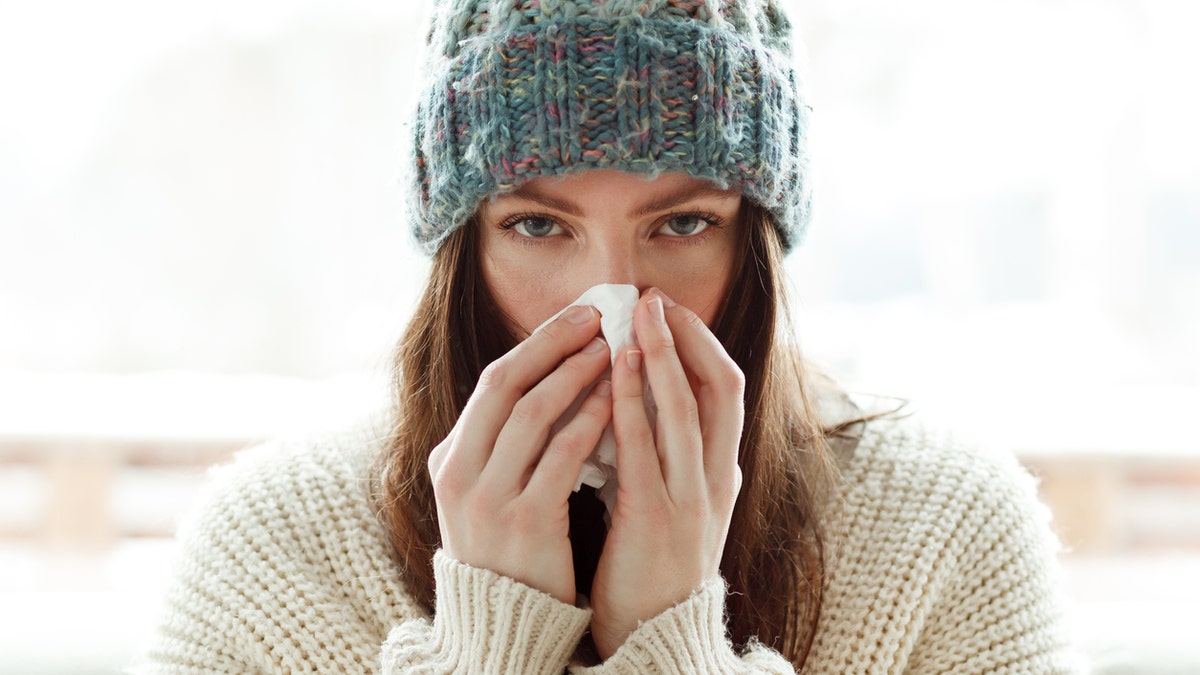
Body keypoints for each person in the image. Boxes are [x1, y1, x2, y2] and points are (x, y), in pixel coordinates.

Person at [134, 1, 1078, 672]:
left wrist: (672, 640)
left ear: (755, 242)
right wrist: (489, 647)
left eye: (682, 225)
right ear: (463, 247)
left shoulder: (948, 530)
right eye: (539, 226)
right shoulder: (271, 554)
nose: (611, 304)